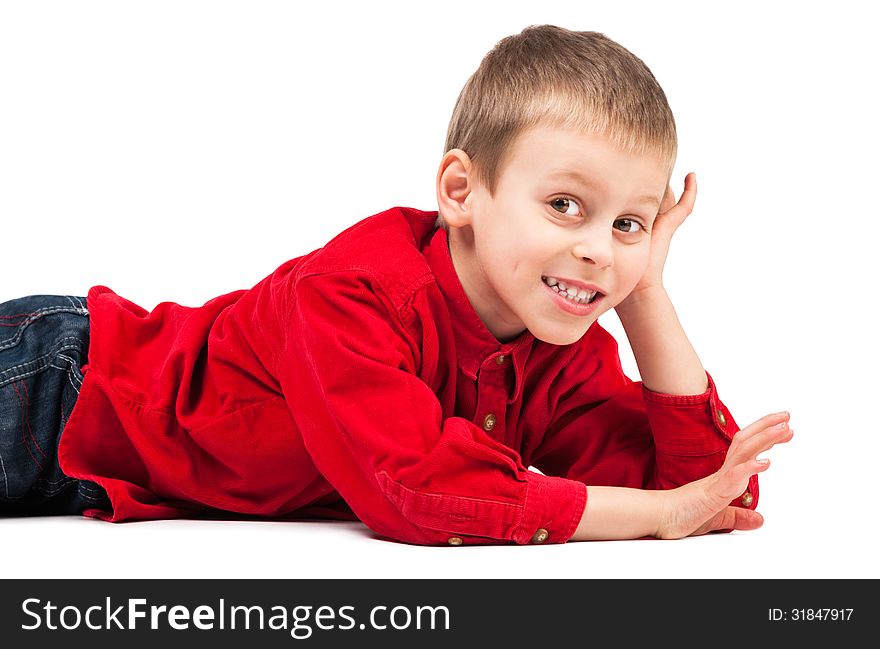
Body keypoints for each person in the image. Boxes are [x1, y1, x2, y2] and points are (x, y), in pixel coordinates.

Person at [0, 24, 792, 545]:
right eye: (564, 205)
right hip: (57, 381)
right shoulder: (352, 292)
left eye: (629, 223)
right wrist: (653, 517)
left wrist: (647, 290)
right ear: (461, 191)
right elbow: (413, 486)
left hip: (84, 476)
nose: (598, 250)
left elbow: (706, 490)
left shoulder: (558, 347)